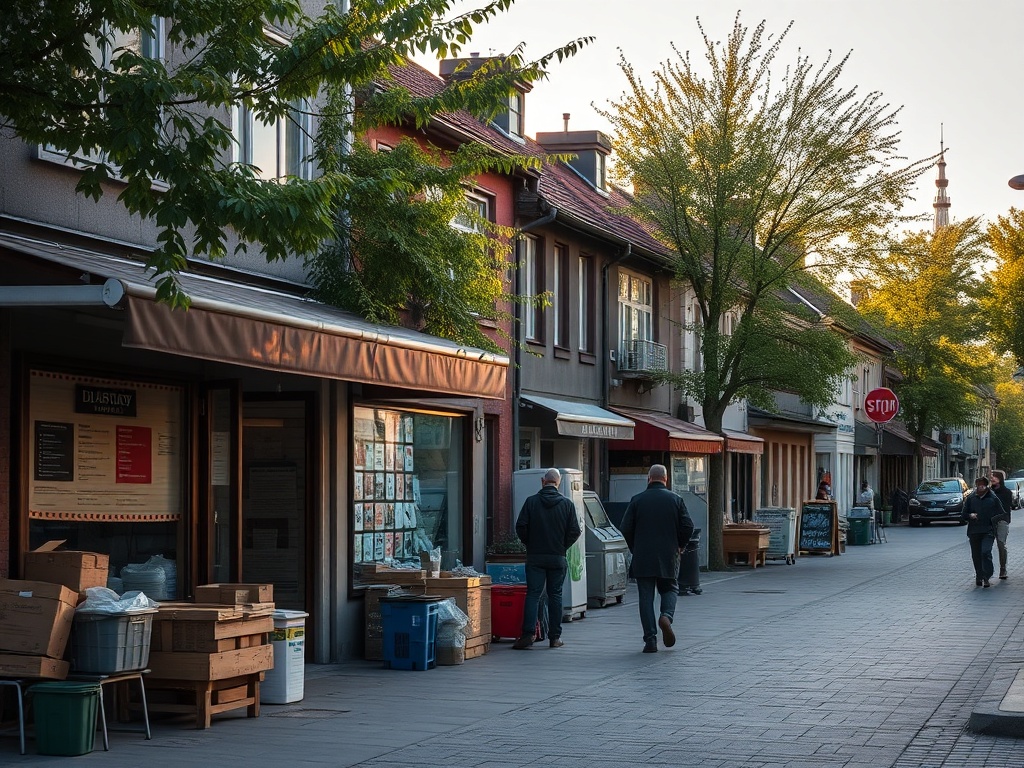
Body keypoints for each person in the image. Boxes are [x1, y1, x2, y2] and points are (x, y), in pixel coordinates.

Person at [619, 464, 695, 653]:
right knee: (670, 588)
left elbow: (625, 528)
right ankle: (666, 616)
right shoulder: (676, 499)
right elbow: (688, 526)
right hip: (668, 555)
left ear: (649, 478)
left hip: (643, 556)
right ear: (666, 479)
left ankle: (650, 640)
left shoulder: (637, 500)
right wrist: (680, 545)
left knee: (645, 597)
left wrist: (635, 547)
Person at [512, 468, 582, 650]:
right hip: (557, 557)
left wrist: (531, 544)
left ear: (543, 481)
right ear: (558, 483)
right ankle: (555, 638)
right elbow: (575, 530)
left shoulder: (531, 502)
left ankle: (528, 634)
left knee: (533, 594)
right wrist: (561, 546)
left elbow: (521, 526)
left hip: (535, 557)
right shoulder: (567, 505)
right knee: (555, 595)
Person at [960, 476, 1007, 588]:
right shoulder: (971, 498)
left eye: (983, 484)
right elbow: (963, 515)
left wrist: (992, 520)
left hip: (988, 531)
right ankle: (979, 575)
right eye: (978, 484)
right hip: (974, 531)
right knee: (976, 555)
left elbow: (1001, 513)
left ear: (986, 485)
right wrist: (970, 515)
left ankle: (987, 576)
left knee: (985, 552)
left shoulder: (992, 498)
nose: (980, 487)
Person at [990, 470, 1013, 580]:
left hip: (1002, 521)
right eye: (991, 477)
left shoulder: (1007, 492)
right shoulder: (988, 492)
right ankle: (985, 572)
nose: (992, 478)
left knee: (1001, 544)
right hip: (989, 522)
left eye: (995, 477)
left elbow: (1006, 509)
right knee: (985, 546)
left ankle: (1003, 568)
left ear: (1000, 479)